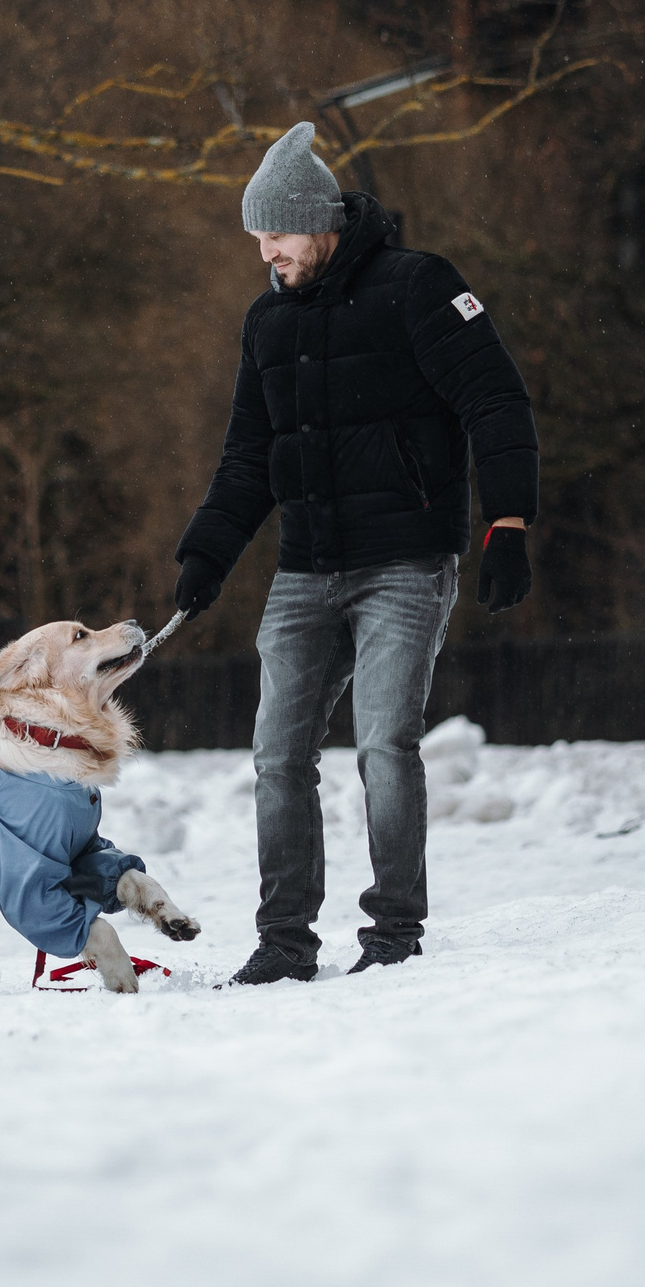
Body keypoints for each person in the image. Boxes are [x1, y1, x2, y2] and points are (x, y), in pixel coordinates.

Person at [175, 121, 538, 984]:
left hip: (405, 562)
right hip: (306, 569)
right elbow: (247, 459)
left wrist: (509, 525)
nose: (266, 252)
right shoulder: (267, 323)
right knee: (277, 755)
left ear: (321, 220)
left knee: (384, 743)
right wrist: (208, 553)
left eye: (278, 233)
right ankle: (284, 941)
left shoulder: (417, 287)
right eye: (256, 236)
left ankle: (392, 934)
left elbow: (496, 400)